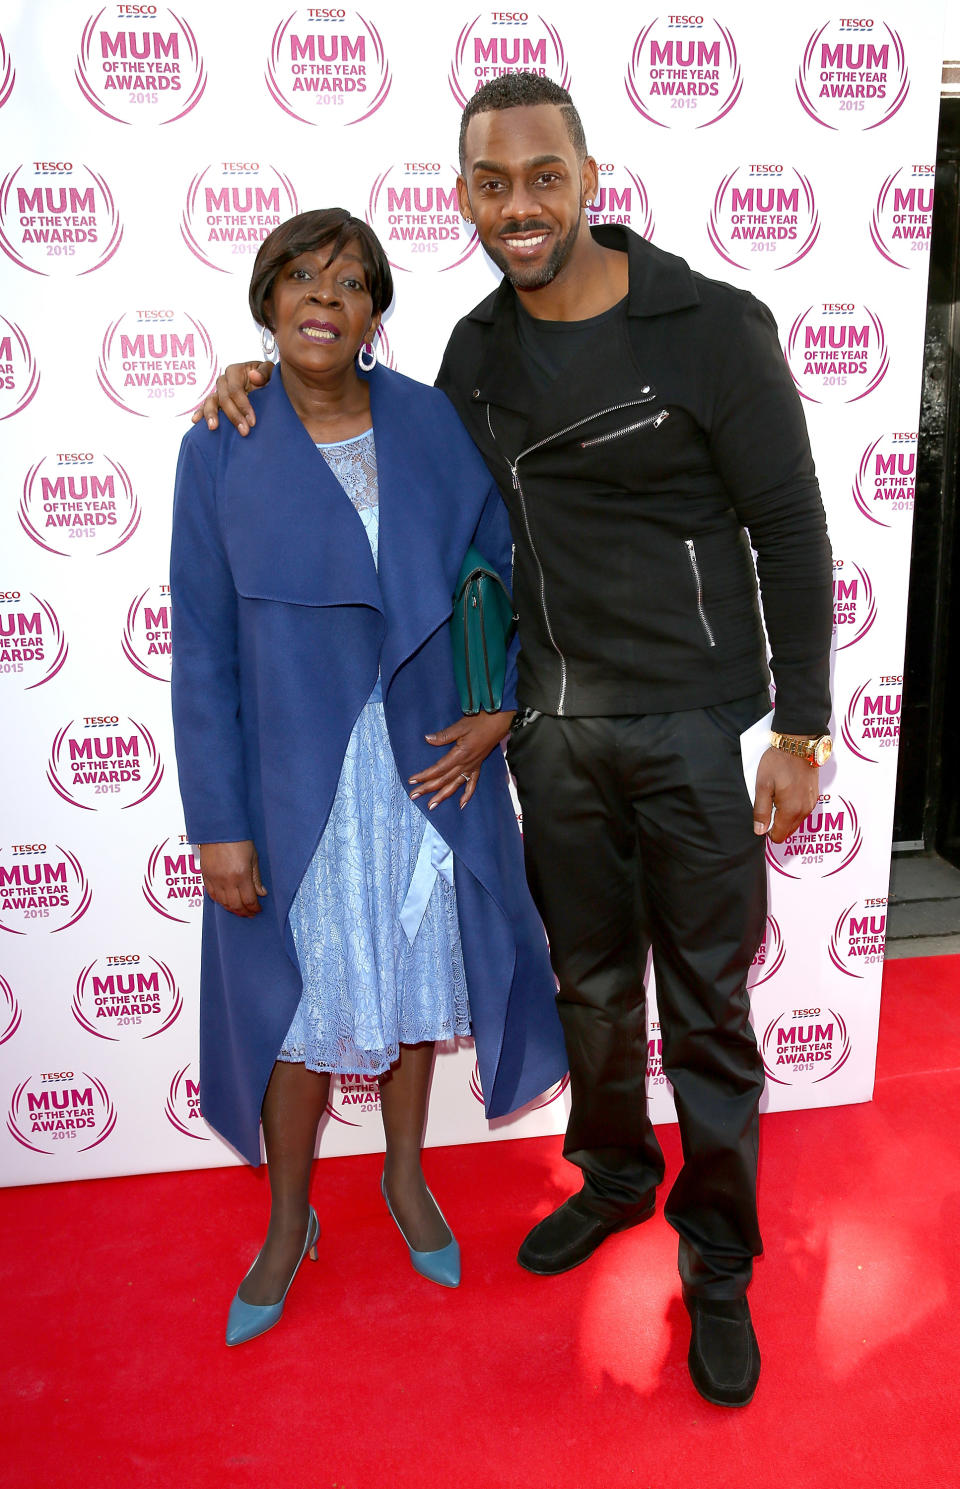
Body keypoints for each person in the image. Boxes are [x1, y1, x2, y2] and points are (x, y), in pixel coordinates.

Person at [197, 77, 833, 1406]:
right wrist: (258, 374)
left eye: (543, 176)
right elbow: (406, 479)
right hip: (549, 733)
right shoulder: (474, 357)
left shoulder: (713, 325)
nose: (521, 205)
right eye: (493, 183)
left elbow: (791, 528)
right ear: (468, 200)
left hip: (693, 723)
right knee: (594, 991)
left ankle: (718, 1264)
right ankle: (611, 1182)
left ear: (587, 176)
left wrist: (805, 722)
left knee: (707, 1007)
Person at [171, 207, 567, 1348]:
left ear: (372, 314)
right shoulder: (220, 443)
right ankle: (289, 1223)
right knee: (298, 1012)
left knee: (403, 995)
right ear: (266, 300)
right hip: (297, 784)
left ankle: (404, 1181)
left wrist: (499, 705)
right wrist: (220, 823)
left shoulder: (428, 421)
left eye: (347, 284)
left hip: (425, 767)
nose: (322, 300)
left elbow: (495, 566)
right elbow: (201, 643)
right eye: (300, 279)